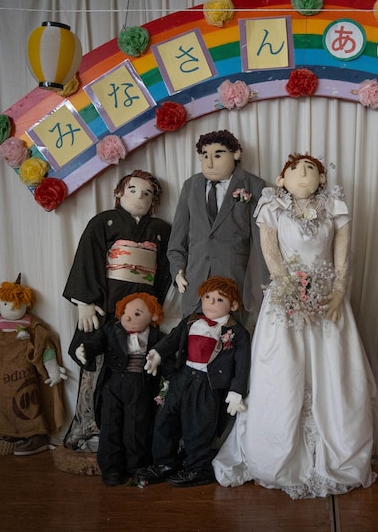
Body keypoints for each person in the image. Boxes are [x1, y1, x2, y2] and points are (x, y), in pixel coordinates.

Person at [213, 154, 378, 499]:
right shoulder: (271, 207)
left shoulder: (335, 206)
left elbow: (342, 258)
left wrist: (336, 294)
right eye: (295, 170)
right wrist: (291, 293)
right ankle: (278, 453)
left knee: (333, 371)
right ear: (281, 178)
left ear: (321, 178)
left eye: (311, 170)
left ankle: (334, 450)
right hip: (284, 302)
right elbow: (271, 256)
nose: (303, 175)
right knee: (281, 371)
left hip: (328, 302)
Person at [62, 170, 171, 451]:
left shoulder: (161, 229)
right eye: (133, 190)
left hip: (141, 312)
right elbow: (87, 258)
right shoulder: (103, 223)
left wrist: (156, 308)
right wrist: (83, 302)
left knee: (138, 372)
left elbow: (164, 272)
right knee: (94, 367)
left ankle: (133, 435)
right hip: (106, 307)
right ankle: (86, 427)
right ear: (119, 193)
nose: (140, 197)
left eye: (147, 193)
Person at [136, 276, 251, 488]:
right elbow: (173, 338)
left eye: (219, 299)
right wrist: (158, 353)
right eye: (208, 297)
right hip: (184, 377)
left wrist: (236, 391)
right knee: (166, 420)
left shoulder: (236, 333)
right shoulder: (191, 320)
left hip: (208, 384)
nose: (211, 303)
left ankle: (198, 468)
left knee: (199, 426)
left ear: (233, 305)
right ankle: (165, 463)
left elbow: (243, 364)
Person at [167, 129, 267, 320]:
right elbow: (177, 238)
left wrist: (264, 283)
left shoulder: (254, 185)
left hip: (234, 283)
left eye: (218, 155)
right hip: (194, 283)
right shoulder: (191, 186)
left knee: (233, 342)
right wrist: (177, 270)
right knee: (193, 341)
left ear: (235, 154)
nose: (210, 162)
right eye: (205, 156)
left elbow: (262, 242)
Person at [0, 275, 68, 457]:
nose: (13, 308)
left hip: (25, 374)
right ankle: (9, 436)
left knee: (29, 402)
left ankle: (36, 436)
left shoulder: (33, 326)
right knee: (1, 403)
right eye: (7, 304)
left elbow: (45, 347)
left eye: (17, 304)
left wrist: (52, 370)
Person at [75, 292, 164, 485]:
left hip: (140, 385)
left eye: (138, 314)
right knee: (110, 424)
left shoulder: (157, 336)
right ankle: (111, 468)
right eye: (125, 312)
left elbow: (166, 354)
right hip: (113, 383)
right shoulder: (111, 329)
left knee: (136, 426)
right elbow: (97, 341)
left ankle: (136, 466)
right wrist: (86, 350)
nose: (128, 317)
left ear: (153, 317)